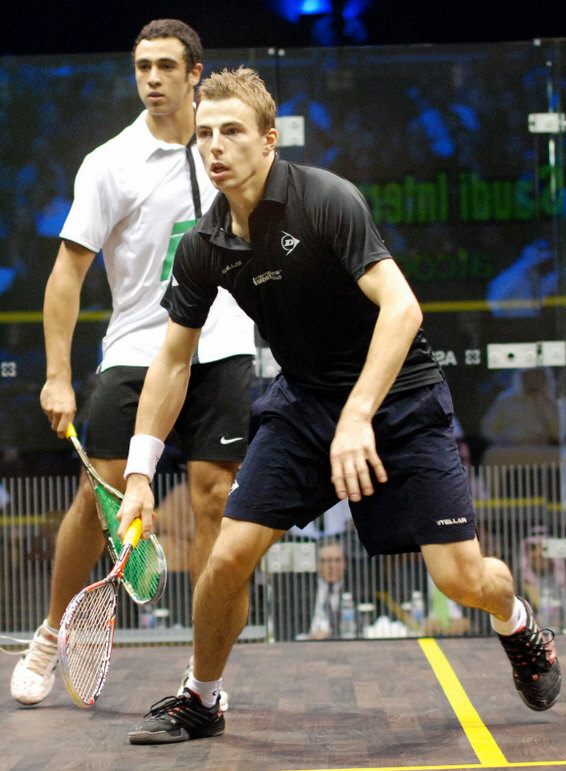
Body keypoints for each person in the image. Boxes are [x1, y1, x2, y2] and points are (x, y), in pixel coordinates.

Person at [118, 67, 560, 745]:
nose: (215, 146)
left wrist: (358, 415)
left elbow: (402, 308)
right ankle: (201, 697)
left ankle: (519, 624)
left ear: (269, 139)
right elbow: (173, 361)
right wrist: (139, 473)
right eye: (204, 133)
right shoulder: (204, 246)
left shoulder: (326, 200)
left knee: (461, 579)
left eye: (232, 131)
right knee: (228, 557)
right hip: (303, 406)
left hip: (402, 401)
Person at [10, 22, 256, 710]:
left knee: (215, 496)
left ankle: (203, 673)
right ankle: (51, 632)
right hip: (138, 351)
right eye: (142, 66)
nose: (152, 78)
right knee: (103, 497)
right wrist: (57, 374)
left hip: (223, 346)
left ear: (195, 73)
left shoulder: (226, 148)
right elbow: (67, 275)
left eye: (166, 66)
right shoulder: (109, 163)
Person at [303, 539, 347, 640]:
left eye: (337, 560)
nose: (331, 566)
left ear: (345, 563)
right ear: (317, 564)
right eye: (325, 561)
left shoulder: (358, 590)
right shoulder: (303, 590)